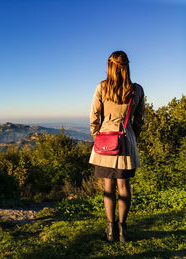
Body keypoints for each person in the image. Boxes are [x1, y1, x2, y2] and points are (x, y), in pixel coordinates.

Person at [89, 50, 145, 242]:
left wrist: (98, 135)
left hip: (106, 140)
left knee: (108, 185)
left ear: (109, 66)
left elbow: (94, 117)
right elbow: (139, 120)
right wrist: (131, 138)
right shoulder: (137, 89)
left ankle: (110, 229)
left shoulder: (102, 87)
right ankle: (123, 230)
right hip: (126, 139)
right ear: (127, 66)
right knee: (124, 185)